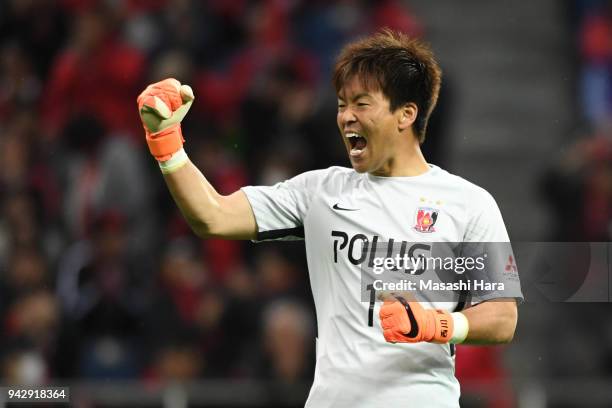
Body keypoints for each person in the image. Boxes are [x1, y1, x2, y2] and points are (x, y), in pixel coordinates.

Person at [136, 29, 522, 407]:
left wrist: (439, 325)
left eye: (361, 103)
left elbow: (503, 317)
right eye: (341, 104)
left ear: (406, 113)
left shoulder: (469, 203)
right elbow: (213, 217)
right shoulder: (319, 193)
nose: (346, 117)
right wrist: (168, 146)